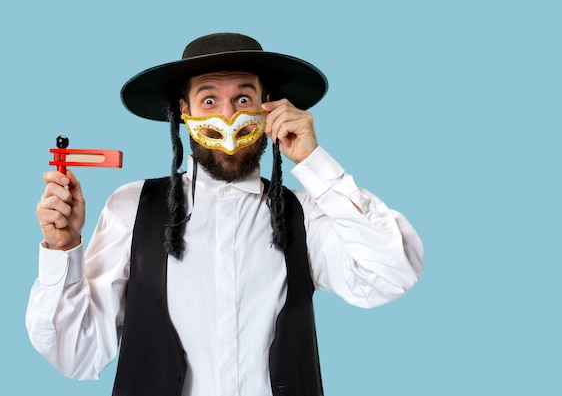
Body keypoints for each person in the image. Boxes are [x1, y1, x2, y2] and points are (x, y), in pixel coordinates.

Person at [26, 32, 424, 396]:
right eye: (210, 99)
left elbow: (393, 271)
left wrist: (314, 162)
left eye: (244, 99)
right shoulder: (132, 209)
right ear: (185, 112)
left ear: (269, 108)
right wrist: (63, 249)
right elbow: (76, 354)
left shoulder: (305, 215)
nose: (229, 116)